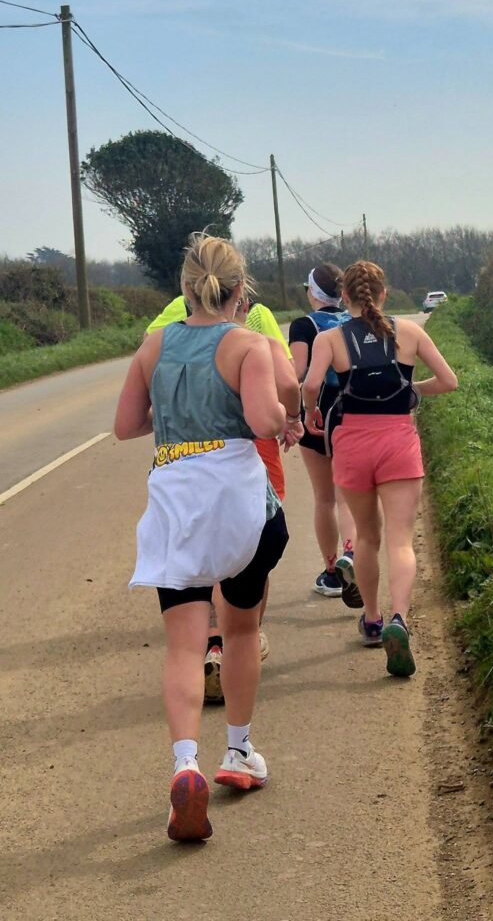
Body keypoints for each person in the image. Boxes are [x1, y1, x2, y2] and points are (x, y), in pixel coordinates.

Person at [114, 234, 302, 841]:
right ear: (239, 291)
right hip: (239, 507)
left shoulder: (153, 346)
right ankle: (239, 752)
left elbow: (124, 426)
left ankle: (184, 764)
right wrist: (281, 415)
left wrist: (169, 419)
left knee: (184, 647)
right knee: (242, 627)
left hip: (177, 503)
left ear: (186, 289)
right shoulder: (247, 344)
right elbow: (261, 420)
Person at [302, 260, 457, 678]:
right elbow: (449, 381)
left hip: (352, 442)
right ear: (384, 295)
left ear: (345, 298)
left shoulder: (330, 338)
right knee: (401, 540)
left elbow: (312, 384)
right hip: (397, 441)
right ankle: (399, 619)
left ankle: (371, 618)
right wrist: (411, 390)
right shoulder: (409, 332)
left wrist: (313, 413)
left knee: (367, 539)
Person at [145, 286, 300, 700]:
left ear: (188, 290)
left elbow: (149, 371)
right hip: (247, 446)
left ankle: (212, 641)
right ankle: (243, 637)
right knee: (250, 547)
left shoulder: (170, 318)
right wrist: (294, 417)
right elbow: (286, 379)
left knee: (202, 553)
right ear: (241, 296)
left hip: (183, 452)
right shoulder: (258, 320)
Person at [288, 264, 360, 604]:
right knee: (346, 496)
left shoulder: (304, 325)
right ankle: (352, 554)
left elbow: (298, 374)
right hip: (353, 414)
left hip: (317, 415)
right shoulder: (353, 321)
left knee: (324, 498)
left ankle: (331, 573)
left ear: (313, 292)